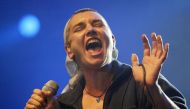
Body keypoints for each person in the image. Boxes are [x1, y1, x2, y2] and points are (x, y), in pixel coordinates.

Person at [24, 8, 188, 109]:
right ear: (69, 50)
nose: (90, 30)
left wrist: (153, 89)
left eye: (97, 24)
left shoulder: (142, 81)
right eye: (80, 28)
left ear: (113, 40)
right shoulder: (65, 103)